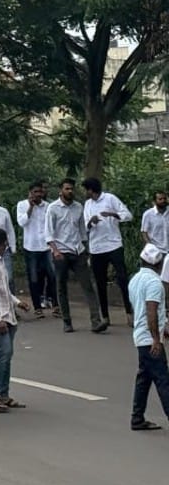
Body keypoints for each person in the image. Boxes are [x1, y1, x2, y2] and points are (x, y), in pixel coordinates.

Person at [0, 227, 32, 413]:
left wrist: (17, 303)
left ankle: (4, 393)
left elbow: (3, 290)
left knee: (7, 355)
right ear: (4, 244)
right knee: (4, 353)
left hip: (6, 312)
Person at [45, 178, 105, 333]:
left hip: (77, 250)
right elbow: (48, 232)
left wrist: (86, 249)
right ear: (61, 190)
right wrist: (55, 251)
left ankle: (96, 321)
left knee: (88, 286)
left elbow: (82, 230)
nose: (70, 191)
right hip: (61, 252)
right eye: (67, 189)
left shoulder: (79, 207)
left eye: (71, 188)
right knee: (61, 287)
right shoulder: (53, 208)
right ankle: (67, 321)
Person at [82, 177, 134, 326]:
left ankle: (129, 312)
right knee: (100, 282)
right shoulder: (88, 204)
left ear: (91, 190)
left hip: (114, 244)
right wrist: (91, 222)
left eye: (87, 190)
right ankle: (105, 316)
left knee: (122, 279)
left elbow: (128, 215)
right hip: (97, 247)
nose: (86, 193)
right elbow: (84, 226)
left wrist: (113, 215)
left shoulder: (110, 198)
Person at [129, 244, 169, 431]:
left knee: (144, 378)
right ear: (159, 265)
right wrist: (156, 339)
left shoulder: (135, 279)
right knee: (163, 380)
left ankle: (137, 418)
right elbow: (151, 311)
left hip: (140, 336)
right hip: (149, 339)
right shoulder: (154, 283)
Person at [16, 181, 56, 318]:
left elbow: (52, 225)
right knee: (34, 278)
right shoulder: (22, 205)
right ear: (30, 193)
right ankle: (37, 307)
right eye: (35, 192)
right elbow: (21, 223)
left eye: (40, 192)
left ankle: (56, 305)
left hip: (46, 246)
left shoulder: (49, 206)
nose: (38, 194)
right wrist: (30, 208)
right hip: (31, 246)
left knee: (53, 275)